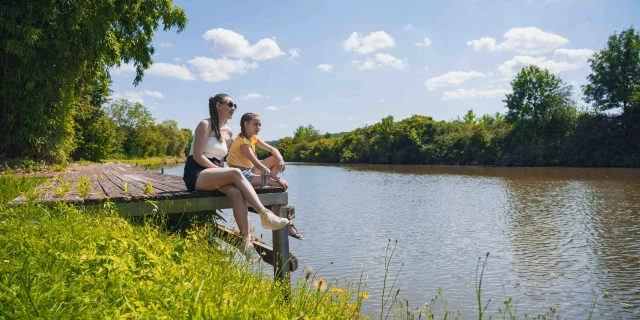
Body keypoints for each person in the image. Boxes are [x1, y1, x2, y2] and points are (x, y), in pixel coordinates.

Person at [183, 94, 290, 258]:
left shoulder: (229, 132)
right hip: (197, 172)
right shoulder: (205, 124)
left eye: (235, 105)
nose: (233, 108)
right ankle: (264, 214)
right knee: (235, 172)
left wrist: (222, 173)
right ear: (218, 105)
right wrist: (222, 173)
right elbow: (197, 156)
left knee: (236, 193)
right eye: (230, 104)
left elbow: (220, 159)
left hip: (215, 172)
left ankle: (246, 243)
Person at [226, 112, 303, 240]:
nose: (258, 128)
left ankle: (266, 182)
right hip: (239, 174)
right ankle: (288, 224)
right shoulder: (243, 142)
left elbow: (273, 150)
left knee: (275, 159)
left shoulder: (253, 138)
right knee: (279, 185)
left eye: (260, 125)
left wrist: (280, 158)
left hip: (249, 171)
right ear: (246, 124)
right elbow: (258, 164)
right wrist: (277, 179)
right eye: (255, 124)